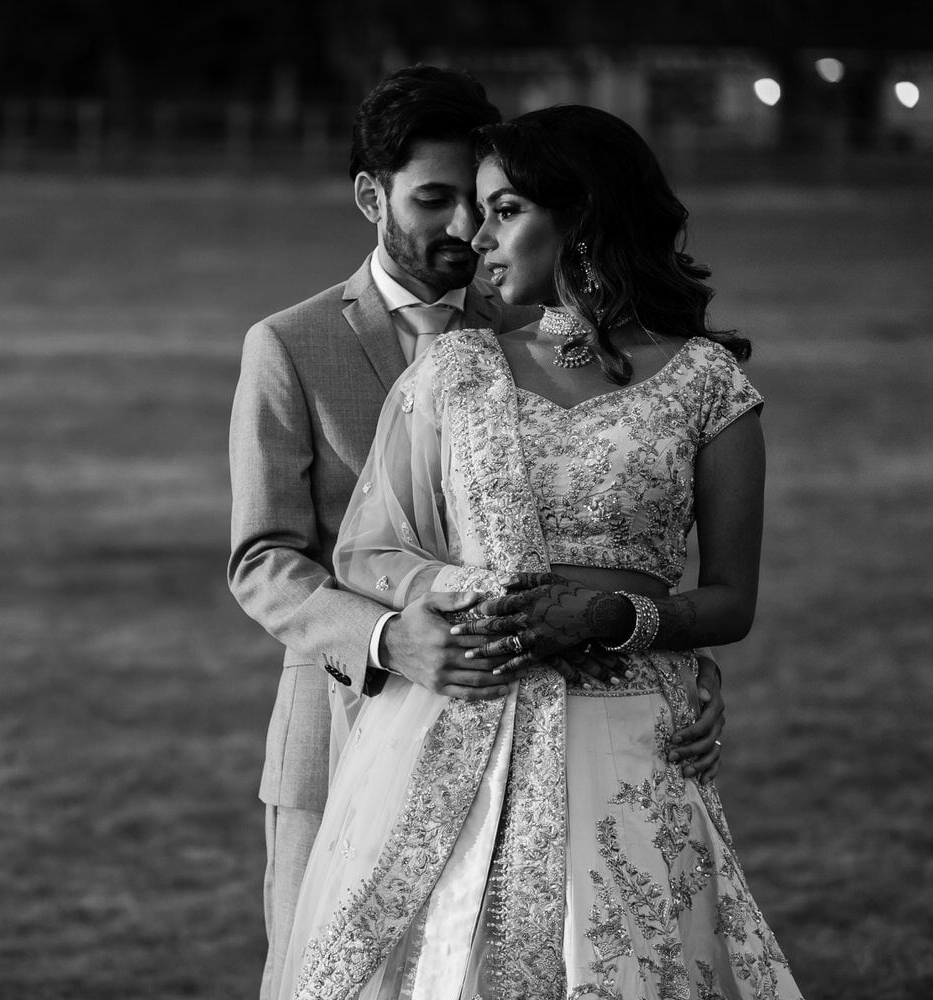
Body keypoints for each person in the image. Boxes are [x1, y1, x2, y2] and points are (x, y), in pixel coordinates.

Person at [271, 104, 803, 999]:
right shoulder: (457, 368)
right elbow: (368, 552)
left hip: (630, 741)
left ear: (581, 216)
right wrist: (481, 593)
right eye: (475, 209)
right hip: (461, 717)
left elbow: (730, 601)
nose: (476, 237)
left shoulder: (709, 385)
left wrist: (614, 619)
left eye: (504, 209)